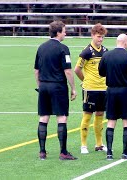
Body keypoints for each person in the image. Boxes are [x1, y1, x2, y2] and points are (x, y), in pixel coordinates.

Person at [34, 20, 77, 160]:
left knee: (44, 117)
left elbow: (36, 70)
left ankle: (42, 152)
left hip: (44, 86)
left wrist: (40, 85)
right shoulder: (63, 48)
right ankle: (63, 152)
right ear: (58, 32)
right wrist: (73, 88)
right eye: (64, 31)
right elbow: (68, 71)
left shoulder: (41, 47)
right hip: (58, 86)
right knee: (62, 117)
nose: (65, 33)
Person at [98, 34, 127, 160]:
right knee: (126, 120)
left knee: (111, 121)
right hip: (126, 91)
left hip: (111, 90)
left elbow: (101, 73)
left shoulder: (106, 55)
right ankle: (124, 152)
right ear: (125, 42)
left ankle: (109, 153)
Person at [74, 23, 108, 154]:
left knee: (100, 114)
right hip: (90, 89)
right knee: (87, 115)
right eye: (99, 36)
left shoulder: (105, 51)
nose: (100, 39)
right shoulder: (86, 52)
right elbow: (77, 69)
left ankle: (99, 144)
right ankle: (83, 145)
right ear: (93, 35)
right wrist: (85, 81)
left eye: (102, 37)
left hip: (103, 88)